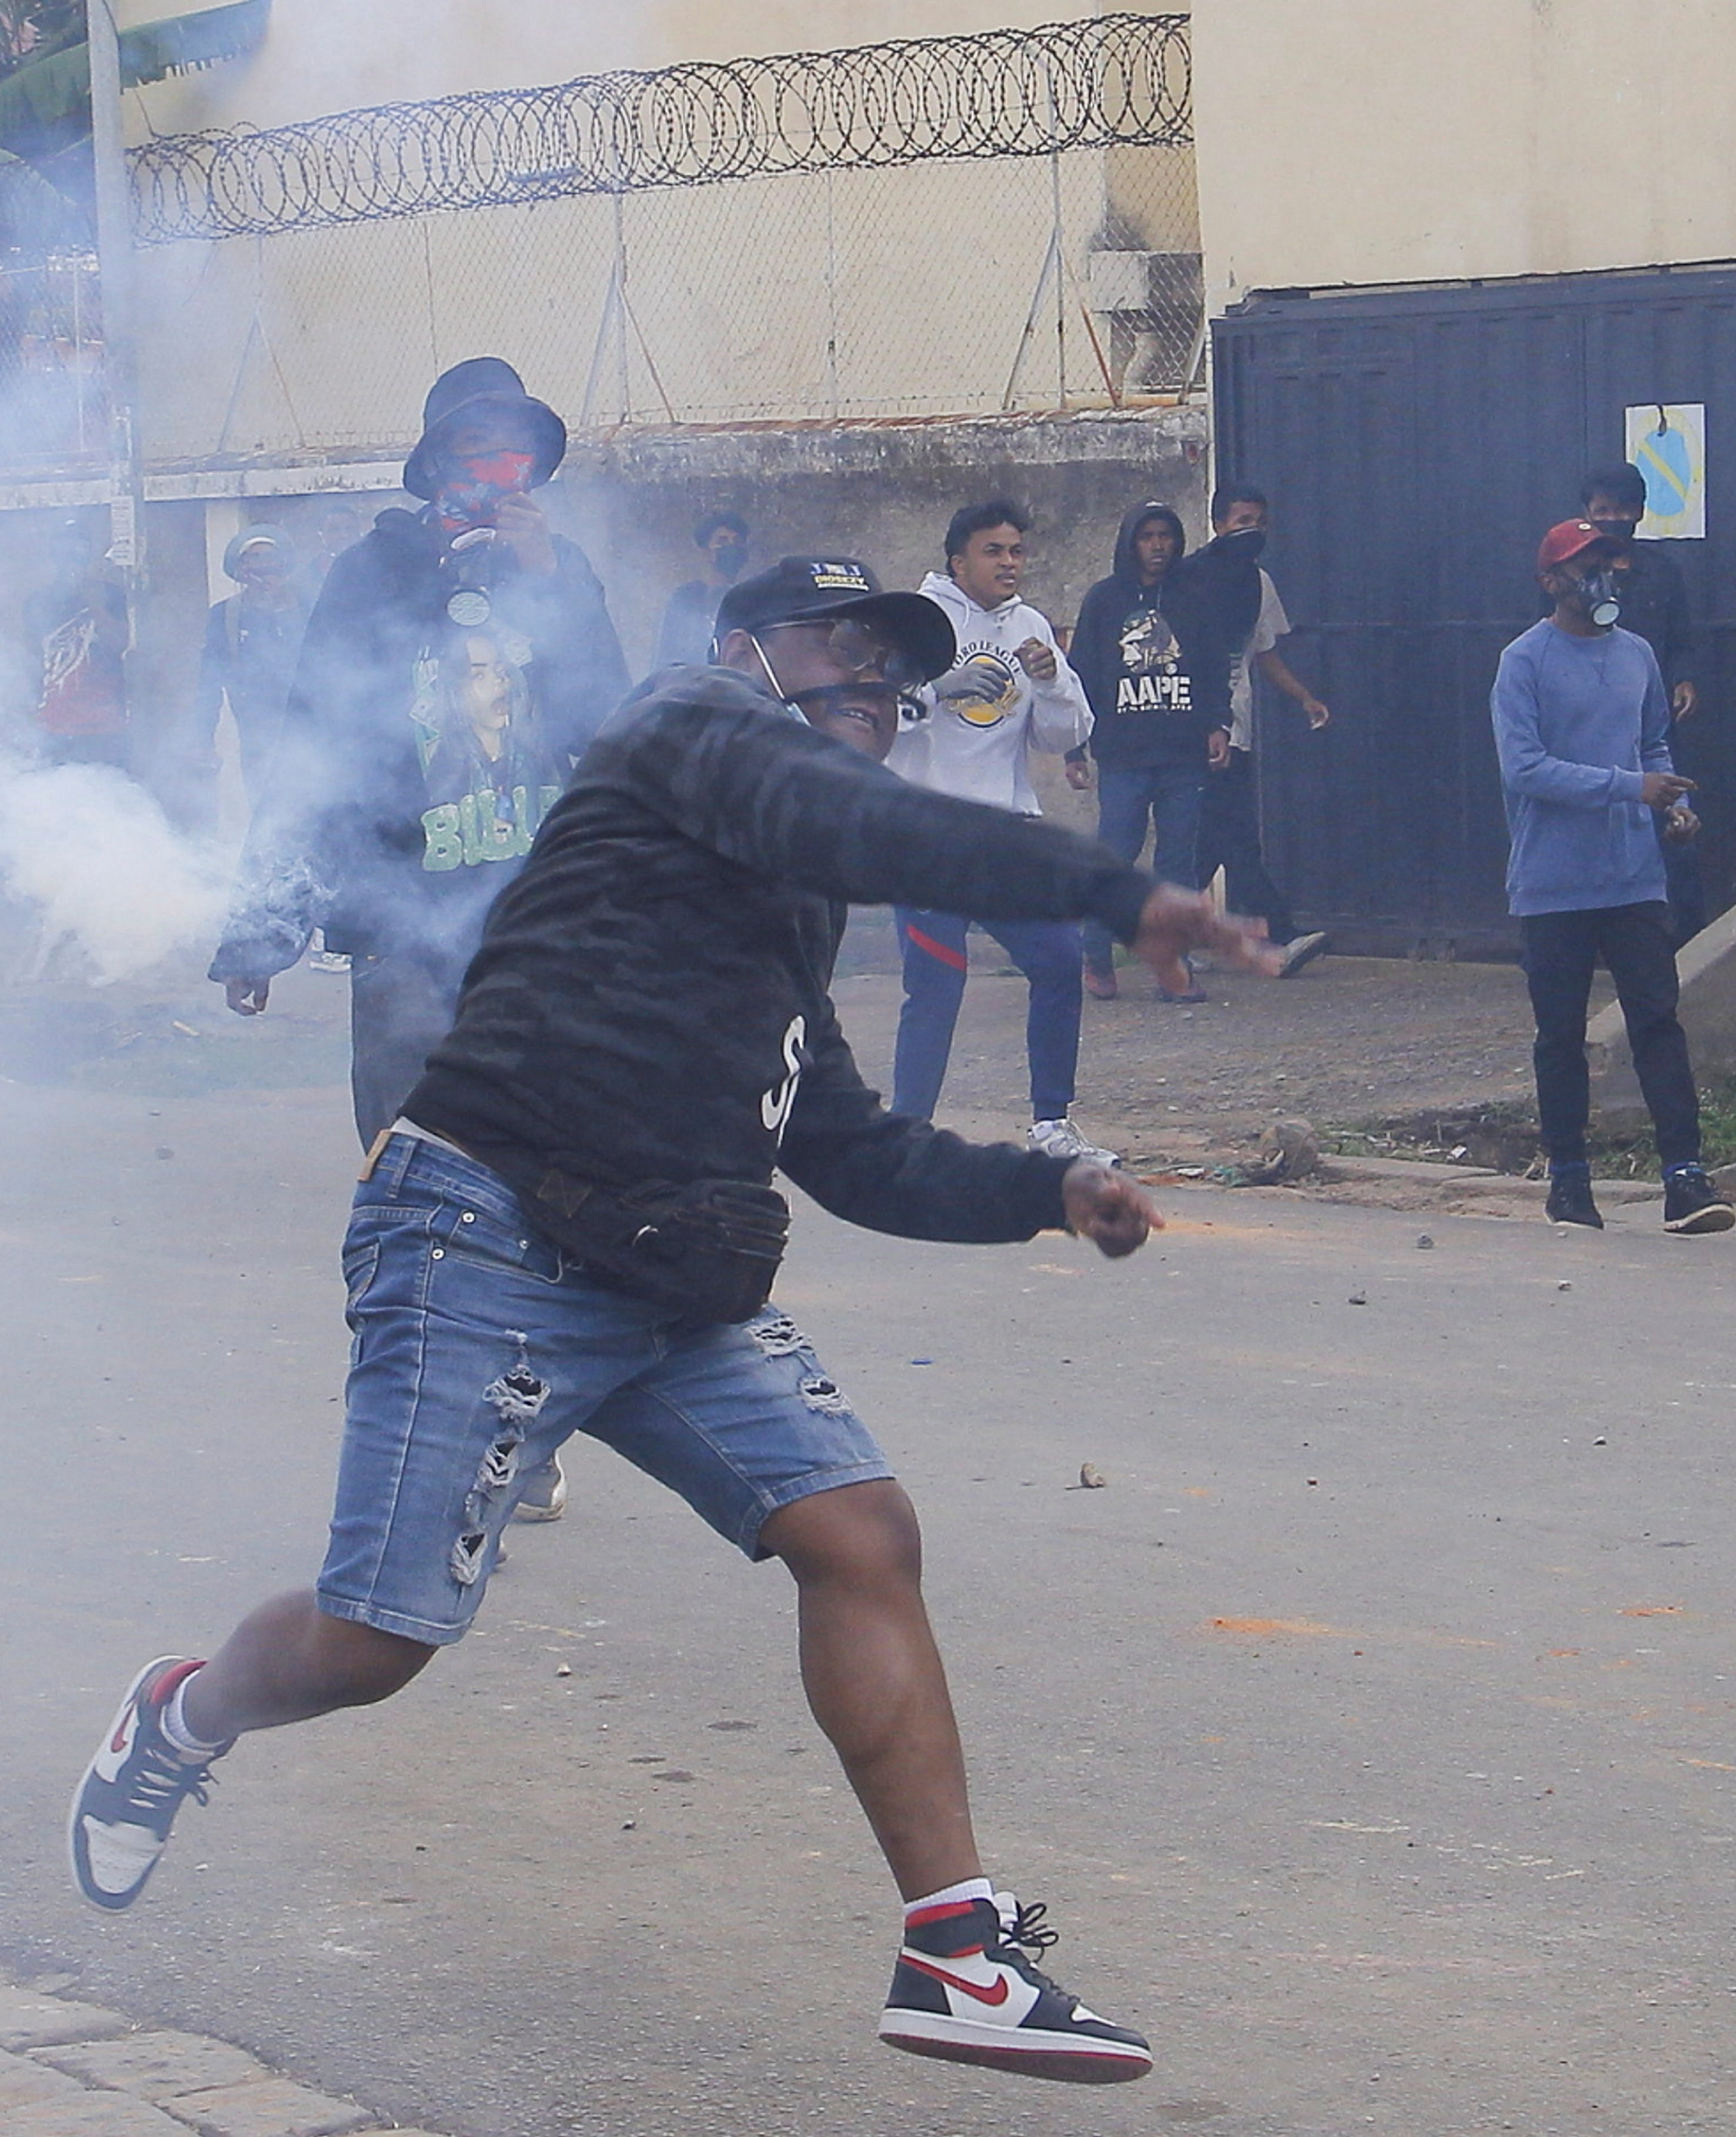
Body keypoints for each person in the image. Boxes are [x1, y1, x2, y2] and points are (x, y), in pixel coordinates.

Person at [70, 554, 1272, 2086]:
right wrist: (1120, 889)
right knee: (372, 1642)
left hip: (670, 1268)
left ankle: (955, 1954)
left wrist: (1050, 1187)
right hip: (488, 1231)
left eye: (895, 674)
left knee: (863, 1531)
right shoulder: (681, 730)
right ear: (743, 654)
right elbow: (875, 821)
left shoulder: (777, 911)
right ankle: (180, 1716)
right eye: (836, 647)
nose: (874, 689)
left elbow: (852, 1151)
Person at [213, 356, 629, 1149]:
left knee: (549, 1150)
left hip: (541, 922)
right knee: (410, 1150)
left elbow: (606, 723)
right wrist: (261, 933)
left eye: (515, 448)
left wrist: (549, 584)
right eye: (477, 444)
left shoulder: (561, 566)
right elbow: (314, 757)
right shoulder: (368, 573)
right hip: (400, 922)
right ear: (437, 462)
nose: (497, 466)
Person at [1491, 520, 1731, 1235]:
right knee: (1560, 1034)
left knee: (1657, 1023)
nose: (1601, 576)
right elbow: (1524, 767)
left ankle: (1685, 1177)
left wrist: (1676, 806)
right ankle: (1569, 1180)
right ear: (1550, 582)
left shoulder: (1638, 655)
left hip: (1633, 875)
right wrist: (1634, 789)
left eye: (1608, 563)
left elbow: (1655, 741)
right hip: (1553, 879)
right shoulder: (1523, 661)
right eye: (1583, 566)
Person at [885, 503, 1109, 1161]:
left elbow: (1065, 735)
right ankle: (908, 1135)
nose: (1009, 562)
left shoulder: (1031, 625)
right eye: (993, 551)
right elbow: (874, 715)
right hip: (927, 835)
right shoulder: (913, 623)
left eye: (1016, 550)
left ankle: (1051, 1125)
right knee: (935, 985)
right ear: (958, 561)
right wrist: (935, 688)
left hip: (1008, 834)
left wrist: (1052, 684)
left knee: (1059, 961)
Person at [1066, 503, 1265, 1001]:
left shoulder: (1194, 599)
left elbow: (1213, 668)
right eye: (1147, 537)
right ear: (1130, 543)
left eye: (1166, 536)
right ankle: (1095, 955)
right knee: (1115, 857)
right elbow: (1081, 675)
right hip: (1123, 756)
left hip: (1183, 755)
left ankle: (1172, 969)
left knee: (1178, 867)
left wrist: (1218, 724)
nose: (1158, 546)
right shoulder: (1105, 601)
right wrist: (1074, 747)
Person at [1193, 485, 1330, 972]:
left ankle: (1164, 930)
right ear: (1218, 524)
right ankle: (1280, 933)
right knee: (1236, 838)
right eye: (1242, 520)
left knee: (1209, 840)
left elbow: (1264, 652)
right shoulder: (1191, 579)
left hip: (1239, 730)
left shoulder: (1258, 584)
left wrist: (1304, 697)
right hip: (1200, 734)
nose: (1253, 529)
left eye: (1260, 521)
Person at [1580, 463, 1706, 944]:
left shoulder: (1662, 571)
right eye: (1602, 511)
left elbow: (1682, 640)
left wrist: (1685, 680)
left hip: (1655, 729)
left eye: (1622, 510)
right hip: (1590, 730)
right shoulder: (1577, 573)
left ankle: (1692, 945)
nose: (1613, 518)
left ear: (1639, 513)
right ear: (1587, 515)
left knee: (1676, 828)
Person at [198, 524, 308, 796]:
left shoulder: (305, 607)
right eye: (254, 559)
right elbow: (209, 681)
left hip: (306, 724)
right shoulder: (225, 616)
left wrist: (284, 607)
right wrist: (203, 737)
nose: (263, 567)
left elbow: (325, 658)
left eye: (269, 558)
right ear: (241, 569)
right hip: (255, 728)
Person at [25, 522, 132, 772]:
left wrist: (96, 605)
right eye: (65, 548)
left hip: (105, 723)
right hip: (56, 721)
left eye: (79, 547)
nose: (72, 555)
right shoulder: (38, 602)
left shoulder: (111, 595)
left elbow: (120, 645)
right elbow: (33, 659)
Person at [652, 508, 752, 670]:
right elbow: (665, 656)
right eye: (722, 541)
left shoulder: (749, 598)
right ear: (706, 552)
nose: (731, 547)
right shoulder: (686, 598)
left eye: (737, 541)